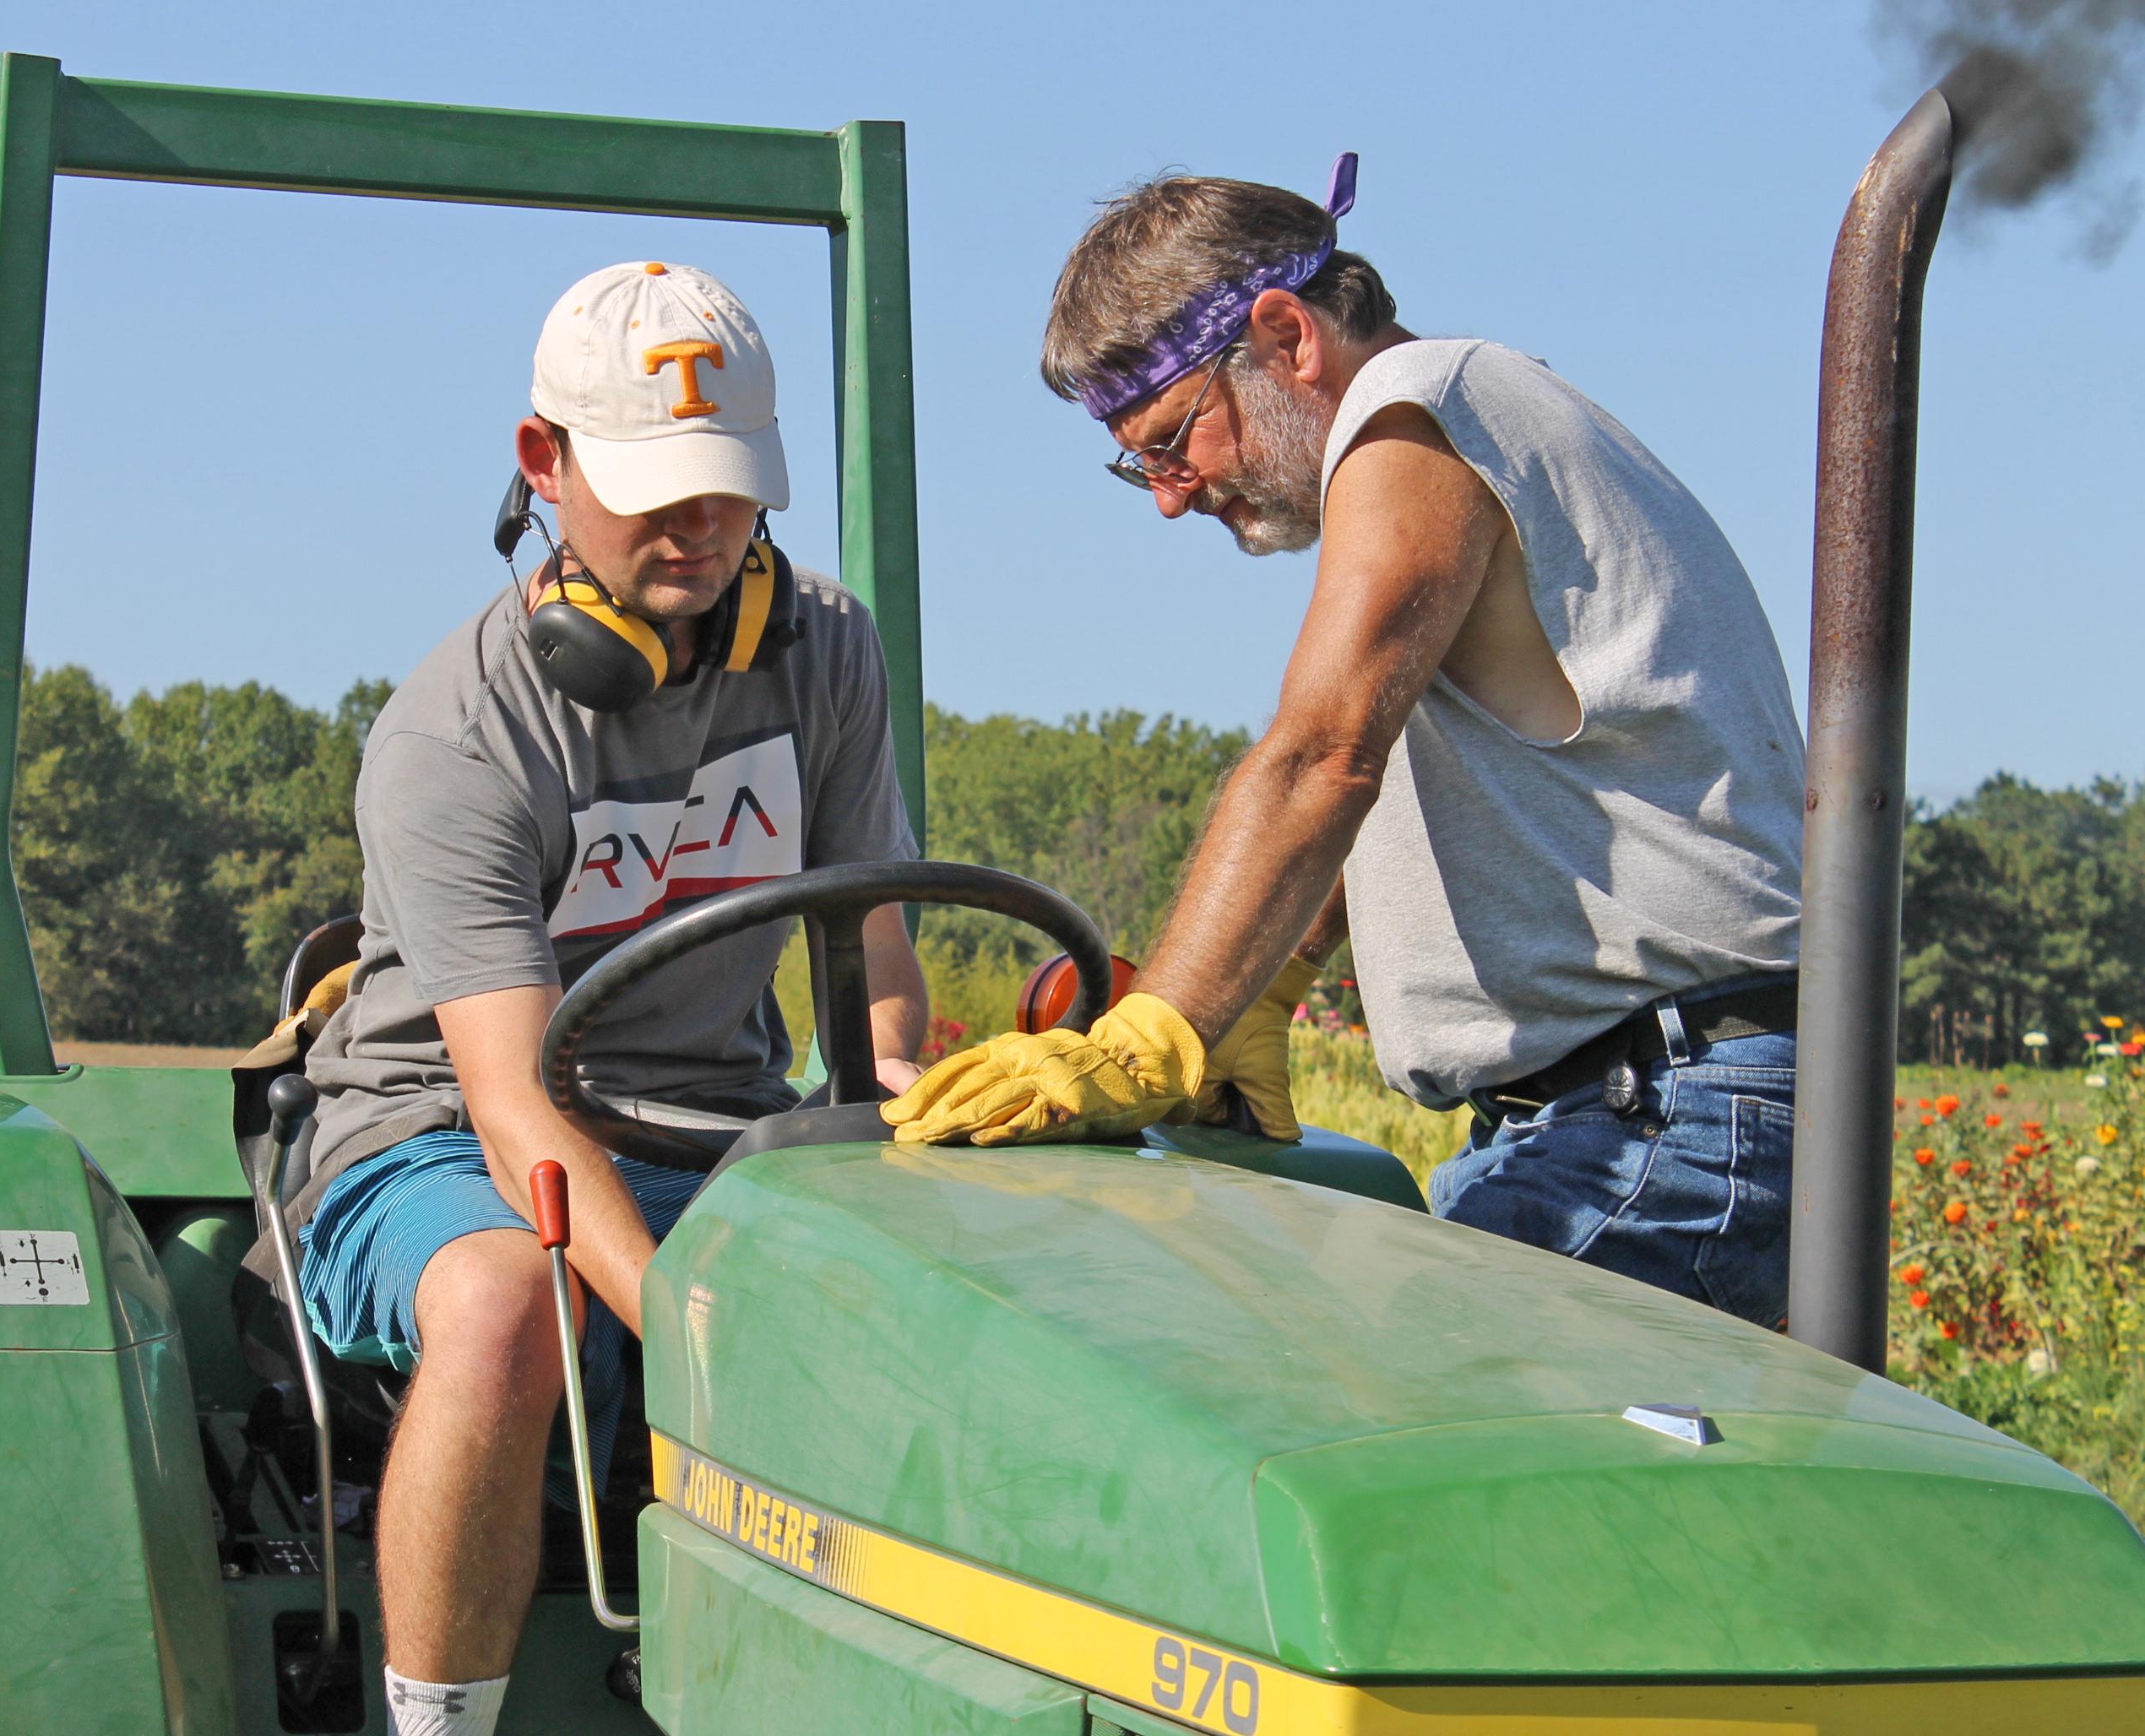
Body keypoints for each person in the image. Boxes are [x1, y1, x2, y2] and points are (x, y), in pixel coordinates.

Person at [886, 157, 1806, 1327]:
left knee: (1396, 1459)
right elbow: (1383, 769)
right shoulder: (1470, 433)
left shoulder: (1417, 412)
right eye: (1139, 468)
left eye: (1173, 442)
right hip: (1643, 1104)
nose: (1170, 496)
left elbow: (1324, 756)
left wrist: (1151, 1039)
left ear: (1285, 339)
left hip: (1663, 1116)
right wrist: (1268, 987)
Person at [295, 260, 926, 1735]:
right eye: (654, 486)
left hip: (718, 1127)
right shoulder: (458, 733)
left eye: (729, 487)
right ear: (544, 464)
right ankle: (438, 1720)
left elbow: (875, 947)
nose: (700, 527)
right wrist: (696, 1326)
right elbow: (514, 1102)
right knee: (515, 1303)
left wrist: (907, 1112)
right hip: (443, 1137)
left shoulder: (826, 649)